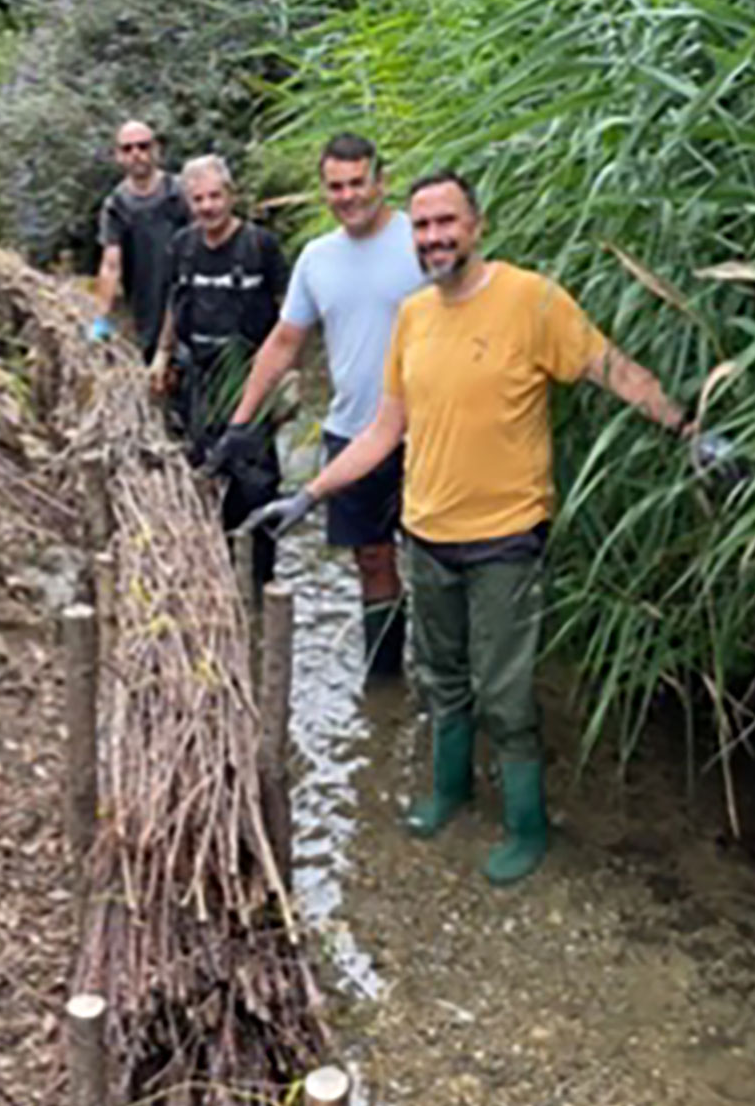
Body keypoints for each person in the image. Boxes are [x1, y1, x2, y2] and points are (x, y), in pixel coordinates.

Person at [246, 169, 701, 887]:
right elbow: (383, 431)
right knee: (443, 677)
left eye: (446, 223)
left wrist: (685, 428)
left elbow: (609, 368)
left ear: (476, 225)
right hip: (427, 533)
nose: (434, 237)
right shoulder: (414, 318)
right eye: (423, 226)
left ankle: (527, 825)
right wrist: (312, 494)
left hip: (507, 537)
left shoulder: (529, 299)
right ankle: (448, 793)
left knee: (506, 692)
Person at [213, 132, 423, 680]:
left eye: (359, 183)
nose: (349, 196)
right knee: (372, 560)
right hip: (353, 432)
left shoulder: (421, 241)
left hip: (429, 435)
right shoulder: (317, 258)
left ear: (382, 181)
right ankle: (385, 680)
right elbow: (286, 342)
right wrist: (241, 420)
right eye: (336, 186)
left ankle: (446, 683)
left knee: (439, 563)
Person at [154, 155, 289, 583]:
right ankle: (217, 575)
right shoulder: (182, 247)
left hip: (251, 375)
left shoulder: (261, 246)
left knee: (258, 484)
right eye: (198, 199)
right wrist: (162, 354)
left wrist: (288, 373)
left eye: (215, 196)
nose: (208, 206)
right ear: (188, 204)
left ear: (231, 196)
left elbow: (289, 315)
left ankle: (261, 581)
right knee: (207, 472)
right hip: (201, 380)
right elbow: (175, 306)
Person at [91, 119, 189, 358]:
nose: (136, 154)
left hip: (189, 302)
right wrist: (101, 316)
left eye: (143, 146)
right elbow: (111, 264)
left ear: (156, 150)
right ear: (118, 156)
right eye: (127, 148)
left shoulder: (181, 193)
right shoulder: (116, 206)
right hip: (146, 308)